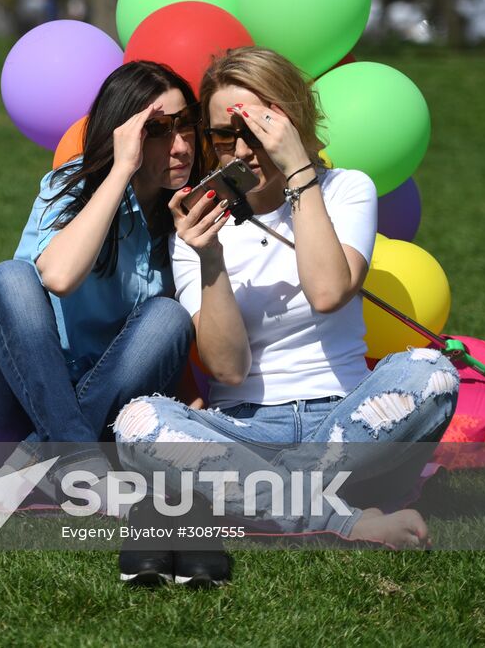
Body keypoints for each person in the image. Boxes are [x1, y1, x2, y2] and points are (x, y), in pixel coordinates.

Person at [112, 47, 460, 583]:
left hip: (343, 422)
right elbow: (226, 369)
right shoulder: (199, 224)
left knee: (432, 372)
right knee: (139, 421)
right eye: (225, 134)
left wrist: (298, 172)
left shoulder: (345, 190)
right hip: (245, 425)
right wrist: (209, 258)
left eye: (259, 127)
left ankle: (244, 494)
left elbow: (328, 292)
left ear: (291, 121)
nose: (243, 148)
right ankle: (337, 518)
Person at [0, 62, 198, 524]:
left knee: (170, 316)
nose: (181, 145)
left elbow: (163, 342)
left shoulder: (186, 217)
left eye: (187, 124)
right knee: (11, 278)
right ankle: (79, 462)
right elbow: (58, 277)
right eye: (159, 130)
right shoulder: (69, 188)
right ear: (125, 133)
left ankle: (43, 463)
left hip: (97, 408)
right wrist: (122, 169)